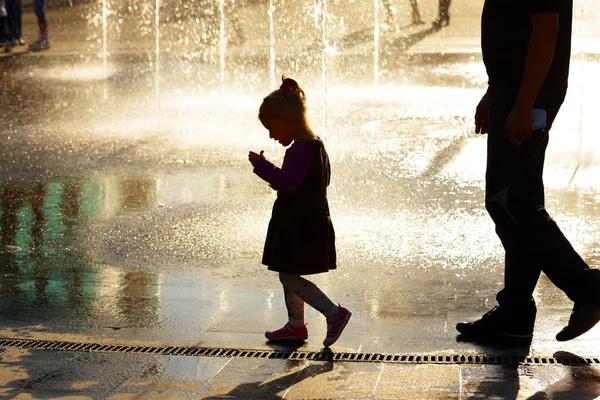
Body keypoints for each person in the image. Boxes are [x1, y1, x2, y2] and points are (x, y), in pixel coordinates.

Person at [456, 0, 600, 341]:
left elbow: (546, 30)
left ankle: (587, 288)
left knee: (510, 201)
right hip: (516, 92)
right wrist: (496, 90)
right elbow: (514, 27)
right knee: (518, 202)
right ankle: (515, 311)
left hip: (526, 97)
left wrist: (523, 104)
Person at [248, 75, 352, 347]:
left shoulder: (300, 150)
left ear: (289, 121)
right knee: (287, 271)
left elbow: (289, 182)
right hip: (307, 219)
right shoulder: (316, 144)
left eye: (272, 128)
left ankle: (334, 313)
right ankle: (295, 327)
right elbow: (323, 179)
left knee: (288, 275)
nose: (271, 135)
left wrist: (262, 166)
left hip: (299, 224)